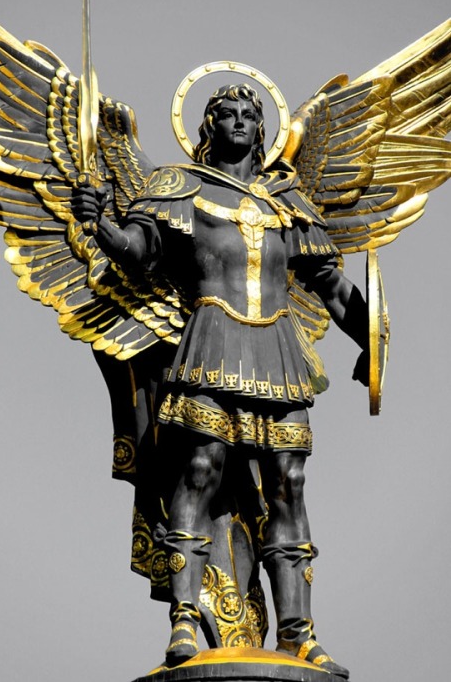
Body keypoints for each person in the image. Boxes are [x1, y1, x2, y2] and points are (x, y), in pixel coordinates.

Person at [72, 84, 369, 679]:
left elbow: (331, 285)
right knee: (200, 469)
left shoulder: (287, 200)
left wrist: (373, 336)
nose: (237, 121)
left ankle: (299, 634)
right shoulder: (178, 187)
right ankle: (184, 618)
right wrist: (99, 222)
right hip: (210, 340)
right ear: (208, 126)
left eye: (248, 115)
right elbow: (138, 252)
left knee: (289, 482)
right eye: (225, 113)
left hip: (278, 348)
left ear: (262, 130)